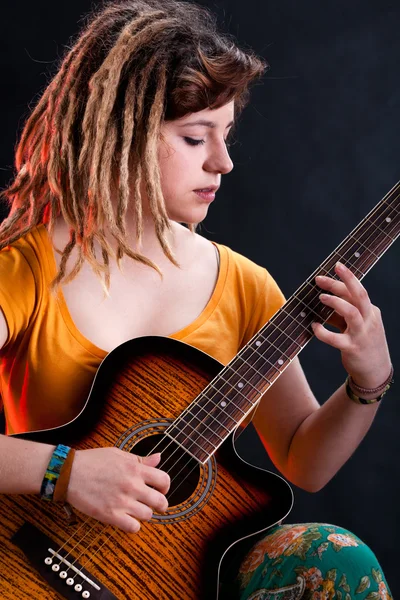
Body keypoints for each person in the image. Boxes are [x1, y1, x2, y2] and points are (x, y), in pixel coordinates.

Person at [0, 0, 394, 598]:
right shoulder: (25, 267)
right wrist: (65, 471)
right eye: (193, 137)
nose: (223, 162)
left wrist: (368, 383)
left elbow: (303, 460)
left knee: (338, 561)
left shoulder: (243, 285)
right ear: (120, 133)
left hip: (183, 577)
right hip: (30, 560)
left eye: (227, 135)